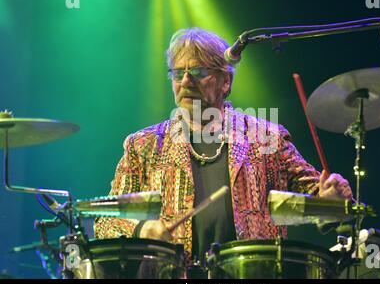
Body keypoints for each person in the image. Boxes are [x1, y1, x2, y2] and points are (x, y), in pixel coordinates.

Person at [94, 27, 352, 266]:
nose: (185, 81)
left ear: (225, 82)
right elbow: (105, 221)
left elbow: (318, 195)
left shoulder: (266, 137)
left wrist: (330, 201)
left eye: (197, 72)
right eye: (177, 73)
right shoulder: (144, 145)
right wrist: (143, 229)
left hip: (252, 276)